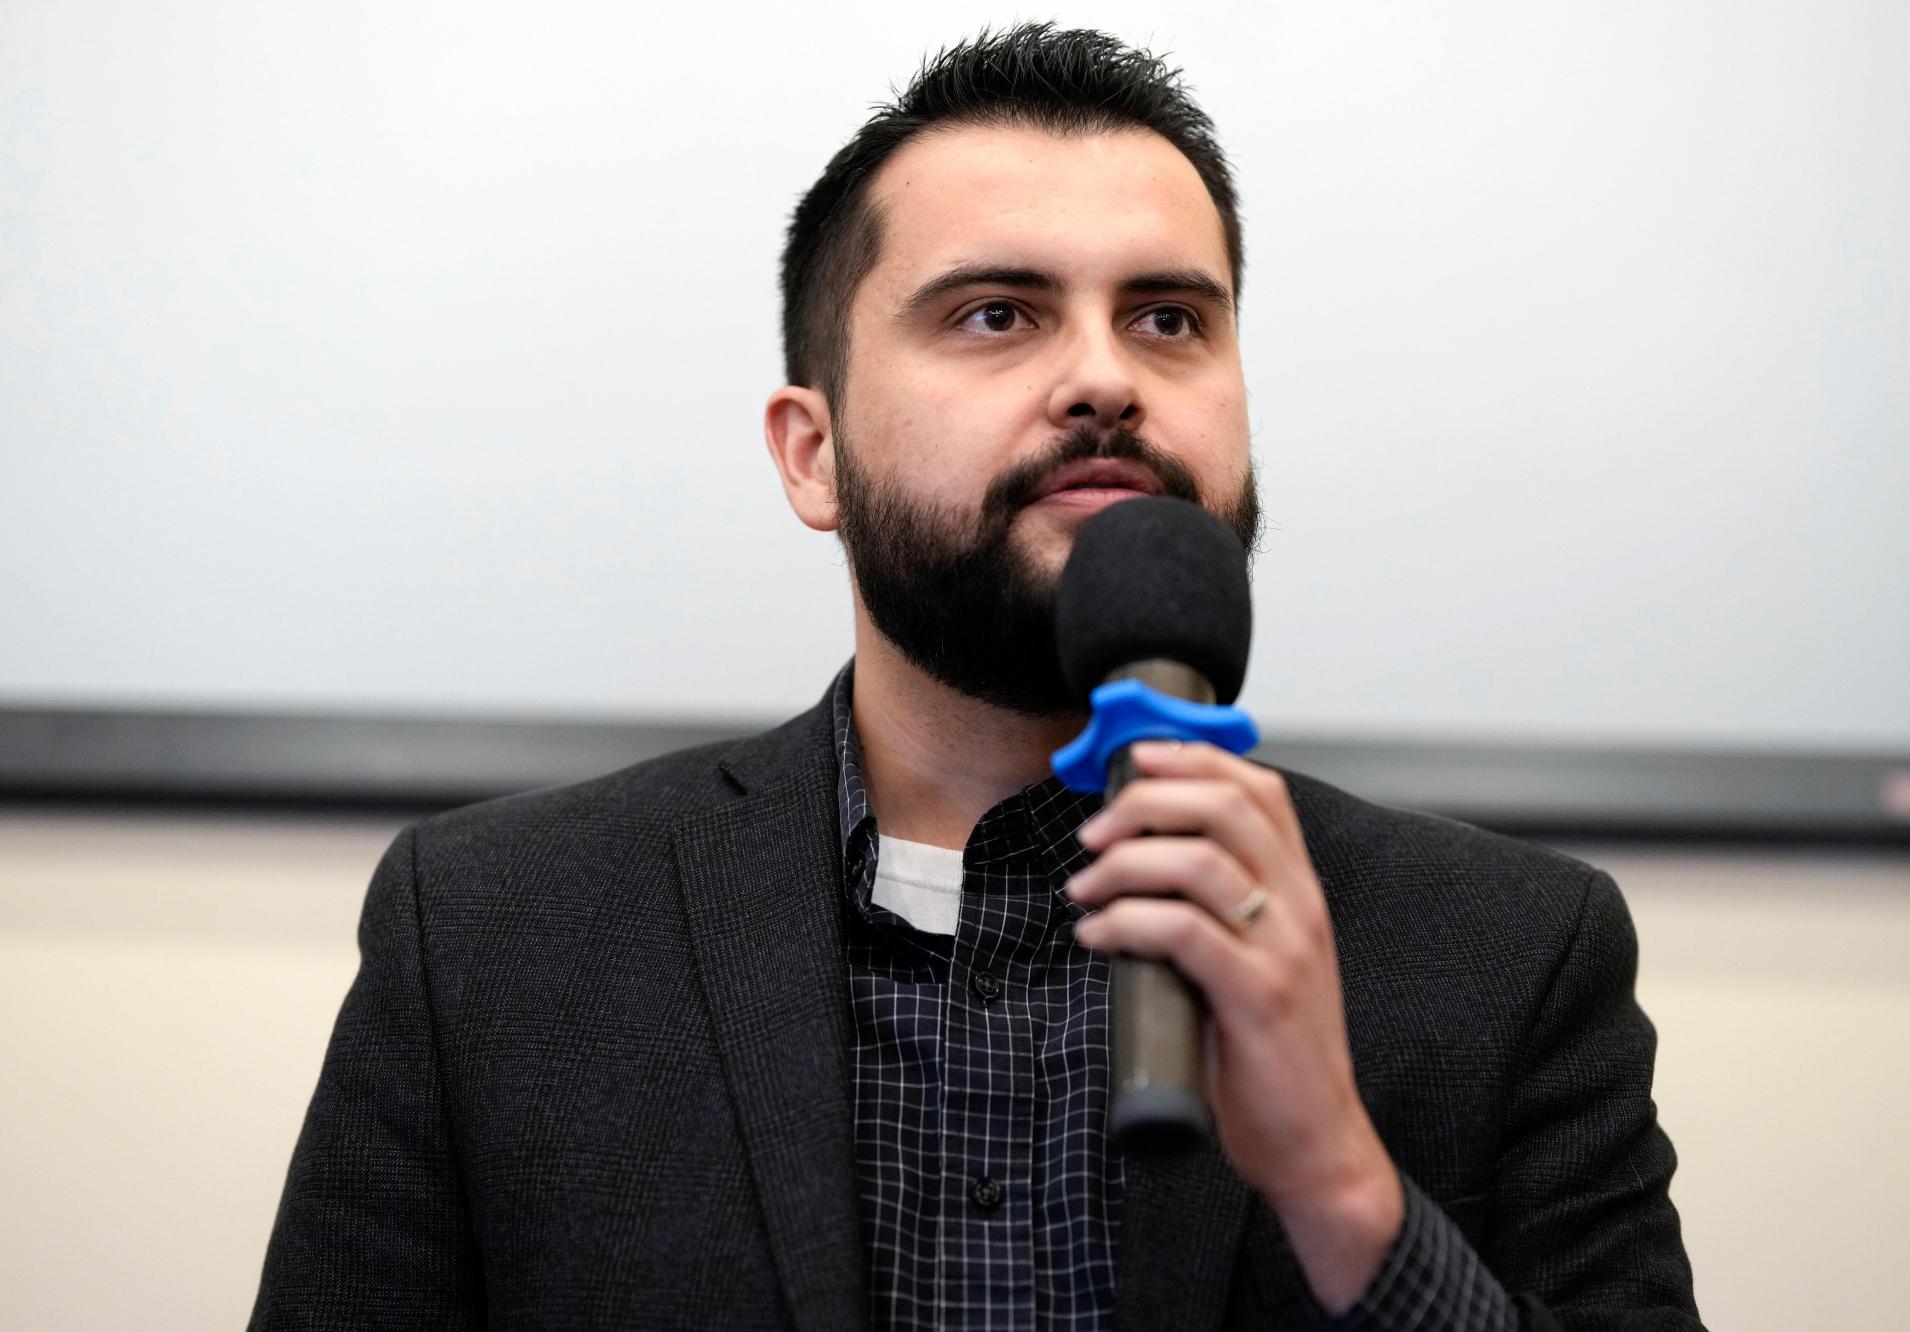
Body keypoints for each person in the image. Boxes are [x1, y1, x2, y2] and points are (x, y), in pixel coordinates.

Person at [252, 24, 1701, 1331]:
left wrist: (1341, 1192)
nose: (1105, 379)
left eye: (1170, 318)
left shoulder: (1514, 957)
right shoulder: (496, 940)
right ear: (811, 454)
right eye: (997, 314)